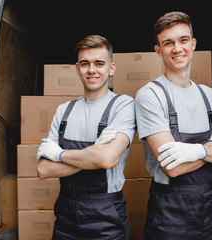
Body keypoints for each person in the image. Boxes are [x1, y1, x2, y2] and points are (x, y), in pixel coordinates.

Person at [134, 12, 212, 239]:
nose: (177, 48)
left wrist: (196, 150)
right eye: (168, 43)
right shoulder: (150, 95)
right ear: (158, 50)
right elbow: (172, 167)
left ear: (193, 44)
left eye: (183, 40)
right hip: (170, 213)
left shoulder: (210, 96)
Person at [36, 35, 136, 240]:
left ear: (111, 68)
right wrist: (93, 155)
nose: (92, 70)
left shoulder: (123, 106)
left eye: (99, 63)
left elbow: (106, 159)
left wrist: (59, 154)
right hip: (66, 217)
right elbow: (44, 169)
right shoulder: (63, 111)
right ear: (77, 68)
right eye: (85, 64)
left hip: (107, 216)